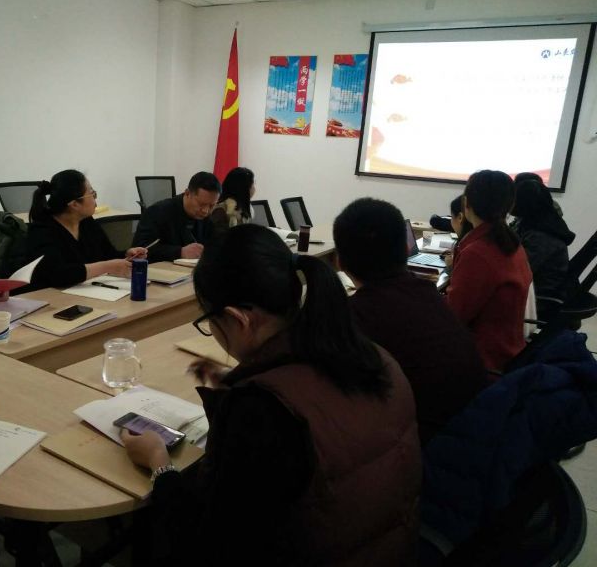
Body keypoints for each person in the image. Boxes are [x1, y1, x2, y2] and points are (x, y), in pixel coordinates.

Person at [122, 224, 421, 566]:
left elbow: (210, 545)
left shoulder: (264, 411)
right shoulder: (372, 356)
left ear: (238, 319)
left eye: (209, 323)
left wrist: (159, 463)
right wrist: (239, 382)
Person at [333, 198, 487, 445]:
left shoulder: (357, 317)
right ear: (405, 250)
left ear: (339, 262)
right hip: (475, 430)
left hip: (428, 447)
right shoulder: (428, 293)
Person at [446, 170, 532, 374]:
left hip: (483, 362)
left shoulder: (478, 252)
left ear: (466, 204)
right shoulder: (511, 243)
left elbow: (452, 317)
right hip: (509, 354)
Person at [25, 170, 147, 289]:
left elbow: (108, 255)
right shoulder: (43, 230)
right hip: (53, 297)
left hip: (90, 291)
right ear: (74, 204)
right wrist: (107, 267)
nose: (95, 200)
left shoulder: (86, 222)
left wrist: (127, 255)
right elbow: (58, 275)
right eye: (92, 194)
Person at [511, 178, 575, 321]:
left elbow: (518, 272)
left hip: (541, 297)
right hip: (536, 290)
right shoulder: (540, 223)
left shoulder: (541, 236)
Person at [132, 171, 220, 263]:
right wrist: (179, 252)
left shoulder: (208, 218)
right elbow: (139, 250)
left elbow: (215, 245)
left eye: (211, 205)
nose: (206, 210)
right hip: (160, 269)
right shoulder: (157, 212)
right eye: (201, 204)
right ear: (187, 193)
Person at [209, 167, 254, 236]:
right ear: (244, 189)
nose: (254, 188)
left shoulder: (242, 207)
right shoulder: (220, 211)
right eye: (252, 184)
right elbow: (219, 239)